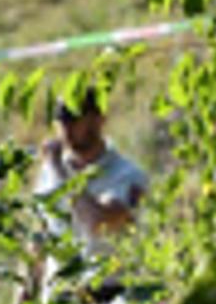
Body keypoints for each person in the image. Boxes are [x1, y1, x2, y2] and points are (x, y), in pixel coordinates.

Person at [29, 92, 150, 285]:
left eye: (75, 117)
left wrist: (61, 173)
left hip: (111, 295)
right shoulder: (49, 172)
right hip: (60, 297)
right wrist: (24, 300)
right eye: (61, 119)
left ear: (99, 119)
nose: (66, 126)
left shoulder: (127, 175)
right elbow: (39, 241)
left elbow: (97, 222)